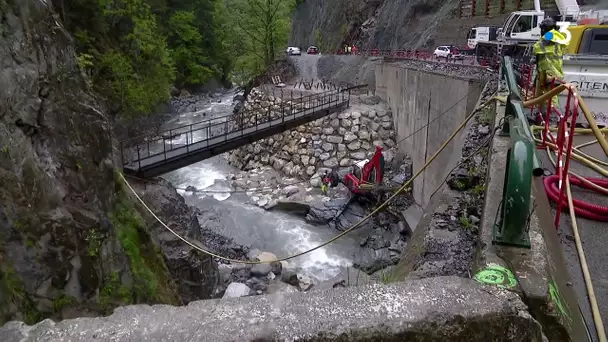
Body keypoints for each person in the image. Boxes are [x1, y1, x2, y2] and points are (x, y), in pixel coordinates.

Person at [529, 17, 571, 125]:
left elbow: (536, 48)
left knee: (551, 98)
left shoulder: (549, 37)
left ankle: (551, 123)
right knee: (542, 95)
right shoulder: (558, 37)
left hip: (550, 73)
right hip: (546, 72)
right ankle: (541, 117)